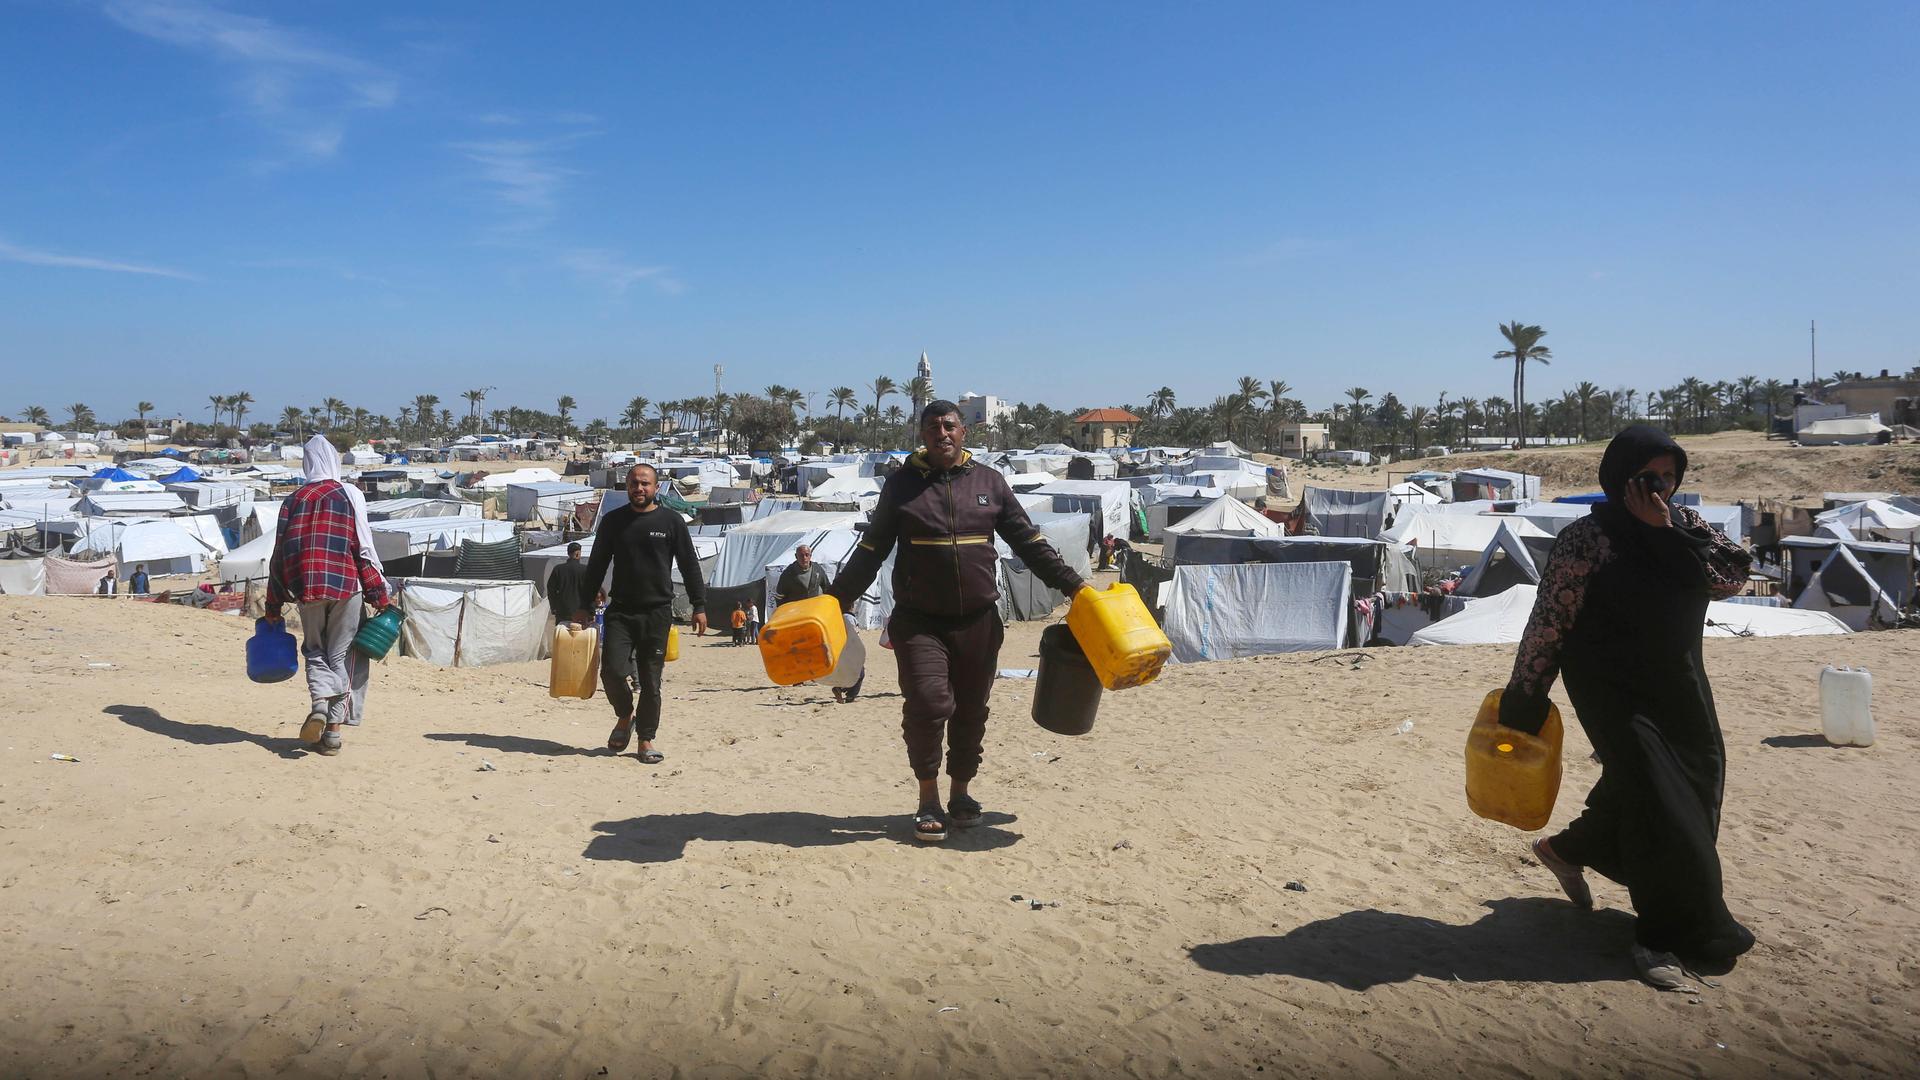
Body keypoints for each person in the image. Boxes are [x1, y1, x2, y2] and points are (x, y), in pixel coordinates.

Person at [1501, 425, 1755, 989]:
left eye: (1669, 477)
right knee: (1659, 801)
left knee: (1693, 784)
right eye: (1648, 477)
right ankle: (1659, 937)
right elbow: (1549, 622)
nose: (1660, 487)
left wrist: (1664, 533)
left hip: (1680, 682)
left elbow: (1733, 577)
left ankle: (1565, 849)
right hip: (1610, 688)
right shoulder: (1584, 539)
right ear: (1620, 479)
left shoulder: (1686, 528)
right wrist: (1525, 696)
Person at [827, 401, 1088, 843]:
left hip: (980, 622)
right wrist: (835, 601)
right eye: (933, 427)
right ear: (922, 435)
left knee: (970, 710)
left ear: (963, 432)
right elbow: (871, 550)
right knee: (929, 705)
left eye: (949, 426)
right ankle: (927, 797)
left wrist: (1076, 587)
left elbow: (1029, 542)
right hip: (919, 622)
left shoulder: (989, 482)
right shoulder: (901, 486)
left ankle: (960, 793)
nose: (942, 433)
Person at [265, 435, 392, 758]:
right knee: (344, 658)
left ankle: (319, 704)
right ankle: (332, 734)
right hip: (346, 585)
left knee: (315, 651)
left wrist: (273, 604)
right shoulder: (348, 494)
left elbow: (279, 554)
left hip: (305, 588)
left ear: (307, 463)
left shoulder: (292, 500)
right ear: (334, 461)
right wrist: (379, 594)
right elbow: (362, 546)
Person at [576, 463, 707, 763]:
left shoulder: (672, 522)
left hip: (658, 612)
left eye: (645, 484)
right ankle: (625, 715)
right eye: (634, 483)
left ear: (656, 488)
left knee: (650, 682)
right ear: (627, 487)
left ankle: (645, 739)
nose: (639, 488)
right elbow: (596, 564)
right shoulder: (613, 522)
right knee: (610, 672)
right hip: (620, 610)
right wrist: (584, 606)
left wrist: (699, 605)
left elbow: (689, 565)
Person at [546, 542, 594, 628]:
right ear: (577, 553)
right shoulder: (585, 570)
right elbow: (590, 592)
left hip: (562, 611)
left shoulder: (558, 569)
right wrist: (591, 611)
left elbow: (551, 590)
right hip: (581, 612)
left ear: (568, 553)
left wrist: (554, 607)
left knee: (562, 637)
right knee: (580, 638)